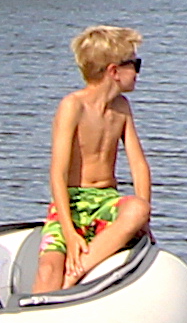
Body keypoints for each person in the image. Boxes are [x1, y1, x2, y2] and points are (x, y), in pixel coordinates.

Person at [30, 23, 150, 295]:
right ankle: (35, 317)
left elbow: (138, 164)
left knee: (138, 208)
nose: (139, 73)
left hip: (106, 200)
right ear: (114, 71)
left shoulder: (121, 109)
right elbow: (58, 173)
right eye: (135, 65)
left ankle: (79, 269)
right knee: (48, 270)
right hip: (70, 202)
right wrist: (70, 233)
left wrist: (145, 218)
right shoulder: (73, 106)